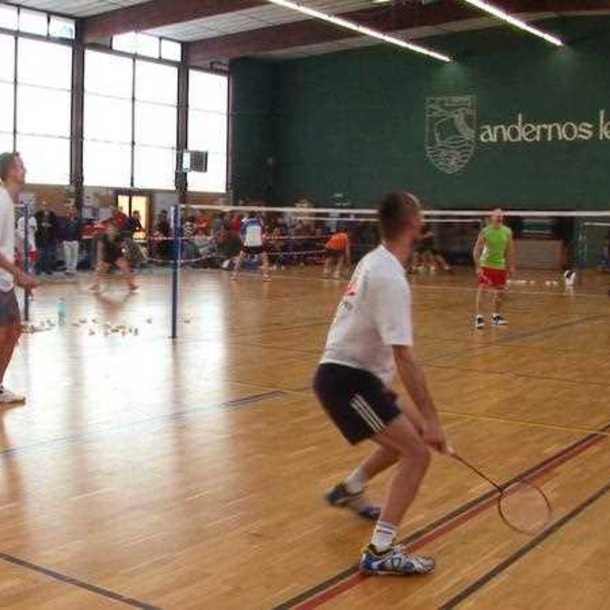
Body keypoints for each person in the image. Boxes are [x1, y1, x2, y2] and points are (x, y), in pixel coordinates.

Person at [314, 191, 448, 576]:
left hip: (363, 378)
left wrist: (427, 423)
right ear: (414, 225)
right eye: (420, 212)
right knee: (417, 453)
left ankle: (352, 487)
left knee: (415, 435)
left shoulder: (376, 261)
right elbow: (405, 357)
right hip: (347, 381)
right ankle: (380, 549)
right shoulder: (389, 276)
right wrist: (434, 418)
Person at [0, 153, 37, 404]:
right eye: (20, 165)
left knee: (13, 330)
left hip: (5, 280)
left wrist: (16, 266)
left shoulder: (8, 201)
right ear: (9, 171)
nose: (24, 169)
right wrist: (19, 274)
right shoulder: (1, 200)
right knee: (4, 332)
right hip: (2, 279)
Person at [473, 208, 515, 329]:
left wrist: (510, 265)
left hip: (500, 267)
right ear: (492, 218)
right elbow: (477, 249)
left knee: (500, 292)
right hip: (486, 265)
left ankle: (496, 316)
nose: (499, 218)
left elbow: (509, 249)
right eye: (497, 216)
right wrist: (478, 266)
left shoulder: (507, 231)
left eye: (501, 216)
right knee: (482, 291)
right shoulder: (485, 231)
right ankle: (479, 317)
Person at [91, 222, 137, 292]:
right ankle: (96, 285)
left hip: (118, 256)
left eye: (112, 229)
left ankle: (131, 285)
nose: (110, 230)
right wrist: (99, 260)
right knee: (99, 271)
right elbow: (100, 248)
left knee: (126, 269)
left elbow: (124, 246)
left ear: (116, 230)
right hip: (107, 256)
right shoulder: (103, 237)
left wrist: (126, 254)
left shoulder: (119, 236)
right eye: (109, 228)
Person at [232, 212, 270, 281]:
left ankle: (234, 276)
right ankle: (266, 276)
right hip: (258, 244)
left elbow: (240, 234)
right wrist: (263, 241)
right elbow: (264, 234)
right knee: (265, 259)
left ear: (249, 216)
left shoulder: (245, 222)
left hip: (248, 244)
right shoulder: (260, 222)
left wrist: (243, 242)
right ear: (255, 215)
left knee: (240, 259)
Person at [34, 200, 58, 275]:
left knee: (48, 255)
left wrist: (50, 226)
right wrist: (41, 225)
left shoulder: (53, 215)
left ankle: (47, 269)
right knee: (39, 254)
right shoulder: (37, 214)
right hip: (40, 238)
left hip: (49, 238)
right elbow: (35, 224)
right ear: (42, 206)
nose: (45, 207)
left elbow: (56, 225)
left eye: (47, 206)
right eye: (44, 205)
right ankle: (38, 269)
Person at [61, 206, 81, 276]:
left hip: (75, 240)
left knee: (74, 255)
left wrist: (79, 239)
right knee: (67, 255)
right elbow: (62, 228)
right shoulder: (65, 220)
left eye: (73, 210)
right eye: (70, 210)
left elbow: (79, 230)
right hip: (66, 240)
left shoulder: (78, 220)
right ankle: (68, 269)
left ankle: (73, 269)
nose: (71, 212)